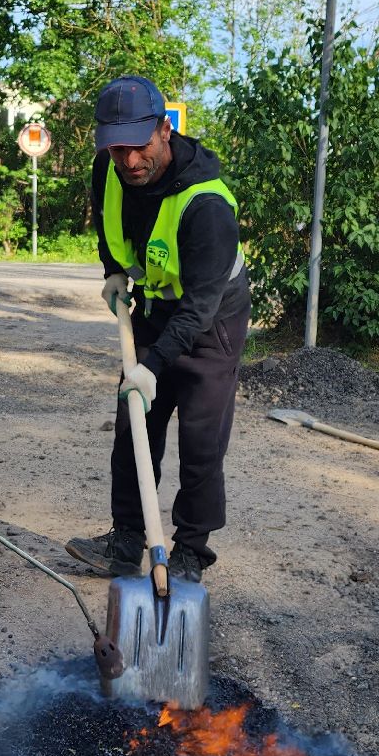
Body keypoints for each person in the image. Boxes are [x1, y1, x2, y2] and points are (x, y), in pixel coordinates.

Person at [66, 75, 249, 586]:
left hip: (212, 318)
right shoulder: (110, 167)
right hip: (153, 306)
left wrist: (153, 365)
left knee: (201, 439)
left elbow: (199, 310)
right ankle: (128, 539)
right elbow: (107, 220)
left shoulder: (207, 206)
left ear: (164, 130)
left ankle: (189, 551)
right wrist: (113, 270)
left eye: (139, 146)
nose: (129, 161)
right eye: (117, 148)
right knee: (134, 424)